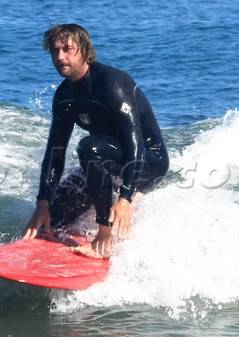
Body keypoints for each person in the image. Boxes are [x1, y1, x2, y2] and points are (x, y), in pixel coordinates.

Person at [22, 24, 169, 258]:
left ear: (85, 51)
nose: (60, 57)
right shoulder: (64, 96)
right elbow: (55, 151)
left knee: (89, 147)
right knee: (55, 218)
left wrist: (125, 198)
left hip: (147, 161)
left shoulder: (112, 84)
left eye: (68, 49)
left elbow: (136, 147)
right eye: (55, 51)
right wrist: (43, 201)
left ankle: (104, 235)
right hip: (108, 160)